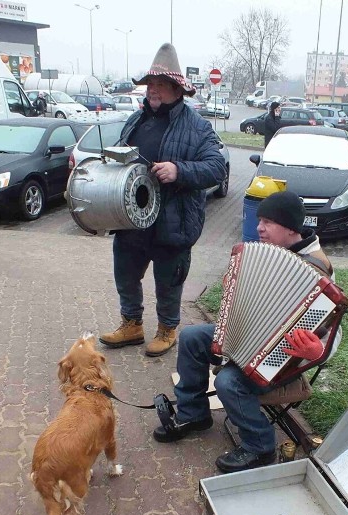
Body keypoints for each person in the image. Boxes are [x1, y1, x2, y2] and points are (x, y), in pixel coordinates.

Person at [153, 191, 339, 473]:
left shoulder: (318, 269)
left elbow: (332, 334)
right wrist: (233, 288)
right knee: (191, 337)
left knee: (228, 381)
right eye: (259, 220)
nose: (259, 228)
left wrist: (317, 352)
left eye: (267, 222)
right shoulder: (264, 254)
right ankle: (194, 415)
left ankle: (260, 446)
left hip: (283, 358)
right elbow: (248, 301)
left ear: (290, 227)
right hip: (246, 339)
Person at [100, 43, 226, 357]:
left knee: (168, 282)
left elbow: (215, 167)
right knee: (125, 274)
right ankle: (132, 325)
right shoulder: (136, 120)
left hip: (173, 220)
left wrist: (178, 170)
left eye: (160, 85)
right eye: (150, 85)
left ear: (176, 89)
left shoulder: (198, 127)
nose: (152, 90)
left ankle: (167, 330)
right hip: (131, 218)